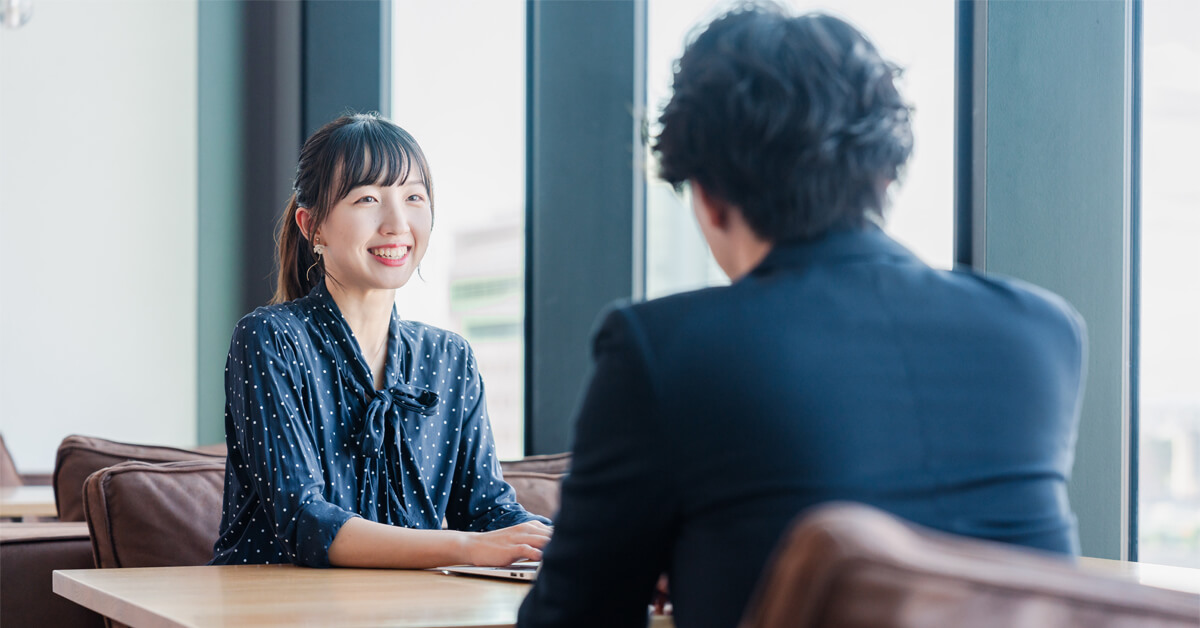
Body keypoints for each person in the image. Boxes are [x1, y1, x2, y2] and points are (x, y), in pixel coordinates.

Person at [518, 6, 1085, 628]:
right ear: (888, 173)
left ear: (705, 195)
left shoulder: (667, 349)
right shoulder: (1042, 332)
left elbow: (572, 617)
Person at [211, 113, 551, 569]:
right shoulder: (269, 339)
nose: (396, 223)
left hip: (406, 610)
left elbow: (489, 512)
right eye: (367, 198)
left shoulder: (450, 357)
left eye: (413, 197)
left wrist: (594, 549)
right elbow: (307, 522)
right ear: (312, 226)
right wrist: (464, 547)